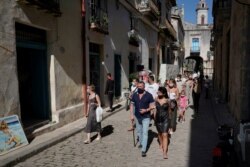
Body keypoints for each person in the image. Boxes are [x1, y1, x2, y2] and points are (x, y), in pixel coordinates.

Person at [130, 81, 155, 157]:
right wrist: (131, 115)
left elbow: (153, 106)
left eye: (141, 86)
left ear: (144, 87)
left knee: (145, 133)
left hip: (146, 117)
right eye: (138, 86)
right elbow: (131, 105)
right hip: (137, 116)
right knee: (139, 131)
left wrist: (146, 110)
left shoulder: (149, 95)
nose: (139, 88)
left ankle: (143, 150)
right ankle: (141, 143)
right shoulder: (134, 95)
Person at [154, 87, 170, 159]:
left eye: (160, 92)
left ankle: (165, 153)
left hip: (165, 119)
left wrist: (171, 122)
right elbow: (155, 110)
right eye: (158, 91)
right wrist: (154, 119)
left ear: (164, 93)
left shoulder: (167, 100)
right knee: (160, 133)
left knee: (165, 134)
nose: (158, 92)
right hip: (158, 119)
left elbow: (170, 111)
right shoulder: (156, 99)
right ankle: (161, 143)